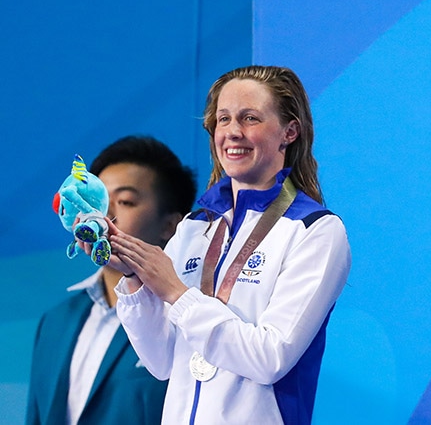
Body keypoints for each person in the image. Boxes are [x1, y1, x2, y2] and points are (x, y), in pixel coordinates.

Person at [107, 66, 351, 425]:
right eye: (224, 119)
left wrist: (176, 292)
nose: (233, 132)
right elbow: (162, 361)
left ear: (290, 131)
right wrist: (132, 276)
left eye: (250, 118)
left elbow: (270, 359)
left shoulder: (314, 231)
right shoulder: (195, 228)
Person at [27, 136, 197, 425]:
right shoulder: (55, 321)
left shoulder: (187, 320)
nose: (104, 214)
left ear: (171, 226)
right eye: (96, 199)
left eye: (125, 201)